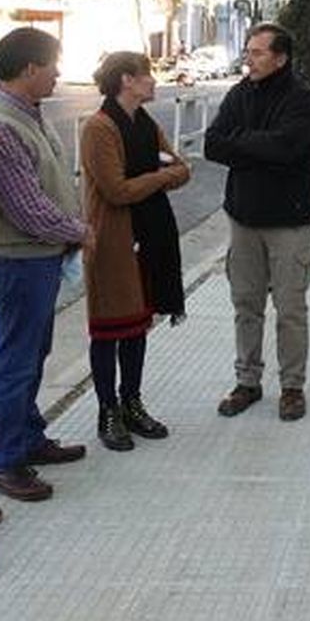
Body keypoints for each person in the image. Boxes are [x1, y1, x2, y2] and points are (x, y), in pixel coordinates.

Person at [0, 28, 90, 502]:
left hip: (41, 258)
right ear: (29, 68)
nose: (58, 73)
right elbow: (27, 209)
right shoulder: (1, 125)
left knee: (32, 354)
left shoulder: (29, 113)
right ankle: (4, 461)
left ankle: (27, 438)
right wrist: (80, 231)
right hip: (19, 259)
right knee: (15, 360)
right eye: (53, 64)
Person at [204, 23, 310, 422]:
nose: (247, 59)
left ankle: (292, 387)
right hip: (243, 218)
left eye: (257, 53)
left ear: (280, 58)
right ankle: (247, 381)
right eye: (248, 51)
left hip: (288, 221)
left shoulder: (303, 99)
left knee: (290, 308)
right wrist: (256, 145)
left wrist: (243, 143)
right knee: (245, 304)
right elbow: (212, 144)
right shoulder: (240, 94)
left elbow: (288, 149)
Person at [80, 51, 190, 450]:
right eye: (147, 75)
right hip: (112, 240)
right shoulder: (99, 127)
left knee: (137, 325)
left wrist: (154, 176)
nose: (153, 81)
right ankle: (107, 409)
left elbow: (183, 169)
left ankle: (132, 401)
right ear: (127, 79)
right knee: (110, 326)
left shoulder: (145, 123)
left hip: (149, 236)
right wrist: (160, 176)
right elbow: (116, 190)